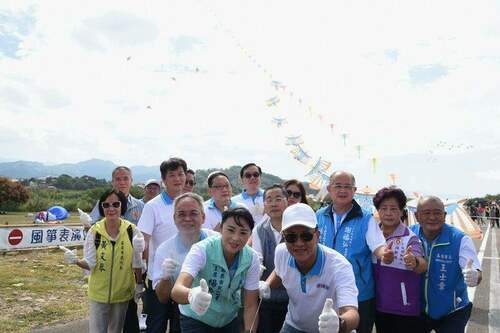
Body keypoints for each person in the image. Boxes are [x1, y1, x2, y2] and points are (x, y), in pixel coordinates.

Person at [260, 203, 359, 333]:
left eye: (306, 236)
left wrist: (339, 324)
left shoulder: (339, 267)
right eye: (291, 237)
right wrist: (267, 284)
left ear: (317, 235)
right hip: (294, 325)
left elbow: (352, 313)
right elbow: (279, 272)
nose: (299, 243)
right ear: (284, 237)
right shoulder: (282, 252)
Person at [316, 170, 393, 333]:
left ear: (354, 190)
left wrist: (384, 254)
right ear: (329, 189)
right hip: (323, 291)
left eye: (347, 186)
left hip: (359, 295)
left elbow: (378, 245)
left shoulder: (366, 218)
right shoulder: (319, 216)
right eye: (338, 186)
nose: (342, 190)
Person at [63, 189, 144, 333]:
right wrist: (75, 260)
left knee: (116, 330)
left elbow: (137, 262)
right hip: (98, 294)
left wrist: (139, 283)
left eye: (115, 204)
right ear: (102, 208)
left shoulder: (132, 230)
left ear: (122, 206)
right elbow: (90, 263)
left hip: (122, 293)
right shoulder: (95, 231)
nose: (111, 208)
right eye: (106, 205)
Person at [171, 207, 261, 332]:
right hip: (197, 318)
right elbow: (176, 291)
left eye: (243, 232)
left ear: (250, 234)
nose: (235, 238)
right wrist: (192, 295)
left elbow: (251, 305)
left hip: (228, 320)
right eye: (230, 230)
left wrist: (249, 331)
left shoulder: (251, 258)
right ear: (220, 229)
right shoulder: (202, 250)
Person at [410, 196, 482, 333]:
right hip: (417, 309)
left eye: (437, 213)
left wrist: (474, 275)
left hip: (453, 311)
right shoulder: (409, 234)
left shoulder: (460, 239)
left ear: (444, 216)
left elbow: (476, 271)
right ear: (417, 216)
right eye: (426, 213)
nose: (432, 217)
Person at [88, 166, 144, 333]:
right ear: (112, 182)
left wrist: (141, 274)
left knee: (128, 317)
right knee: (103, 320)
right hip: (106, 270)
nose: (122, 182)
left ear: (131, 181)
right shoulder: (102, 202)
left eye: (125, 178)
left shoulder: (140, 206)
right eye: (118, 179)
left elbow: (146, 235)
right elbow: (92, 229)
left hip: (133, 267)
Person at [152, 193, 218, 328]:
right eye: (181, 214)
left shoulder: (217, 241)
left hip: (218, 311)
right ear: (174, 218)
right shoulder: (165, 250)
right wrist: (165, 278)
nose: (187, 219)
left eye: (193, 213)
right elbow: (162, 298)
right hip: (183, 313)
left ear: (203, 217)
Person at [138, 157, 187, 333]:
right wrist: (139, 271)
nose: (177, 179)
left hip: (186, 276)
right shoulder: (153, 206)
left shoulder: (189, 203)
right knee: (156, 325)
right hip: (158, 276)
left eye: (180, 174)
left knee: (180, 325)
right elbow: (143, 240)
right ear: (164, 180)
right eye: (172, 175)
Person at [372, 187, 427, 333]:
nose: (388, 213)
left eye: (394, 209)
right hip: (377, 306)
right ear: (378, 210)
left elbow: (422, 265)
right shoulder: (371, 235)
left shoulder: (410, 237)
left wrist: (413, 261)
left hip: (403, 308)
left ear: (402, 211)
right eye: (384, 208)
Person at [252, 184, 289, 333]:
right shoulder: (259, 230)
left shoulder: (295, 228)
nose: (273, 203)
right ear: (264, 204)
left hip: (292, 298)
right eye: (269, 200)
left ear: (287, 202)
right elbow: (257, 258)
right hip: (266, 297)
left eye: (278, 199)